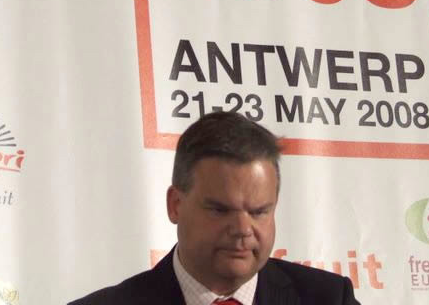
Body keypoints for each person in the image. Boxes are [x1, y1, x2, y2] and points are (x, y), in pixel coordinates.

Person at [69, 111, 361, 305]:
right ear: (175, 205)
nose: (243, 230)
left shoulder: (330, 299)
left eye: (258, 211)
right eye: (220, 210)